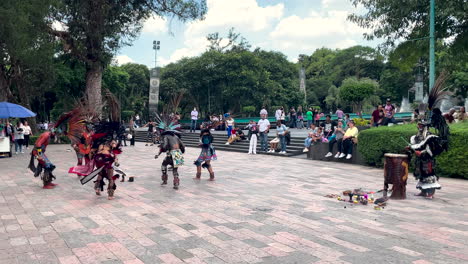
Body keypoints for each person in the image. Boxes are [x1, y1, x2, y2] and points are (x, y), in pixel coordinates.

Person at [407, 108, 449, 199]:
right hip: (420, 159)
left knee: (429, 175)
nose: (419, 126)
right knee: (421, 175)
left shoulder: (430, 136)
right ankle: (423, 191)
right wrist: (410, 149)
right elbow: (415, 145)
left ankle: (431, 193)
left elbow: (429, 149)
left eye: (421, 125)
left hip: (427, 158)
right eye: (419, 125)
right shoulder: (417, 136)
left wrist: (421, 153)